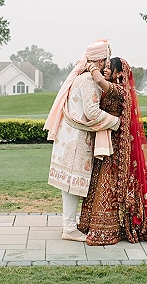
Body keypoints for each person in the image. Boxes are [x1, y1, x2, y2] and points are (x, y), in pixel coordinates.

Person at [78, 57, 147, 246]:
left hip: (116, 145)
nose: (106, 70)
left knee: (108, 180)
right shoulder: (109, 88)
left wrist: (90, 65)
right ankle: (93, 222)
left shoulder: (120, 89)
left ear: (119, 73)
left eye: (110, 67)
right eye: (106, 66)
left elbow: (100, 81)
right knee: (100, 178)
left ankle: (109, 227)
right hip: (105, 140)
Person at [44, 39, 121, 242]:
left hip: (70, 136)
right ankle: (69, 228)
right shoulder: (88, 80)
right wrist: (117, 122)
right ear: (100, 60)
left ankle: (69, 225)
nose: (108, 63)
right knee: (71, 183)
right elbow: (92, 112)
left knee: (70, 183)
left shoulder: (80, 78)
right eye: (106, 59)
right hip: (76, 140)